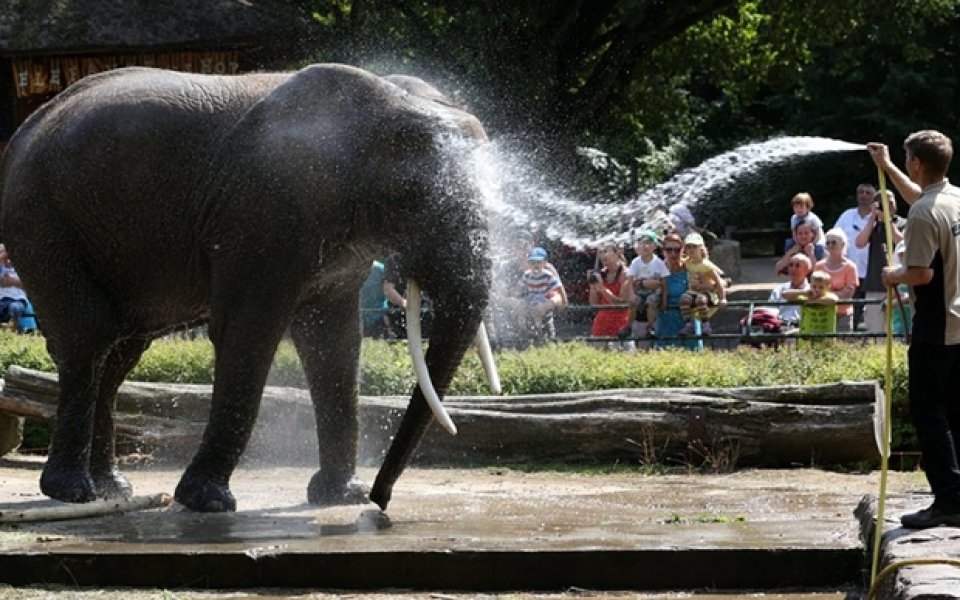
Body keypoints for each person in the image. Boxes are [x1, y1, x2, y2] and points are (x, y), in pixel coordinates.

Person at [869, 130, 960, 529]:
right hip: (959, 320)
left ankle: (948, 502)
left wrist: (892, 275)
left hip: (938, 324)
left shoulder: (924, 213)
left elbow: (920, 273)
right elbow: (919, 200)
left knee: (929, 414)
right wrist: (886, 166)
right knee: (954, 412)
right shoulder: (952, 198)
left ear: (917, 163)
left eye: (905, 159)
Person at [854, 189, 906, 333]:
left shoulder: (902, 223)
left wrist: (888, 220)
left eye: (891, 202)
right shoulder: (873, 225)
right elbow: (859, 242)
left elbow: (902, 242)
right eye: (884, 203)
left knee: (898, 328)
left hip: (899, 285)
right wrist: (873, 218)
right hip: (876, 283)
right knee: (876, 329)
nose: (888, 205)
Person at [833, 183, 877, 328]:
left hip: (872, 271)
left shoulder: (879, 217)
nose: (864, 195)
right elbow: (833, 237)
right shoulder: (847, 215)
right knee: (851, 308)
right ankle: (851, 339)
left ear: (874, 197)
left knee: (872, 309)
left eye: (868, 193)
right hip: (850, 271)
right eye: (861, 192)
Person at [623, 230, 670, 338]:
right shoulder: (636, 262)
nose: (645, 246)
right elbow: (630, 279)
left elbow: (664, 282)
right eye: (642, 243)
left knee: (651, 301)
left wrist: (664, 299)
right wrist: (631, 294)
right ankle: (628, 326)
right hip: (640, 291)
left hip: (654, 292)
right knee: (634, 302)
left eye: (649, 243)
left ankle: (651, 326)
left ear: (654, 246)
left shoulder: (659, 263)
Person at [678, 232, 726, 336]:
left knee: (700, 300)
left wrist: (722, 298)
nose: (691, 249)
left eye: (694, 247)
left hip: (707, 293)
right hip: (693, 291)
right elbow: (679, 261)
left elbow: (719, 281)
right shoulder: (688, 262)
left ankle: (705, 323)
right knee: (684, 299)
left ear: (701, 248)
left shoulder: (706, 265)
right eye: (688, 247)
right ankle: (688, 323)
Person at [814, 228, 858, 332]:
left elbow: (848, 293)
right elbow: (814, 288)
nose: (830, 245)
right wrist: (834, 294)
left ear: (843, 245)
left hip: (843, 314)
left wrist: (825, 294)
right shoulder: (819, 266)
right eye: (827, 243)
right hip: (822, 313)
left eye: (834, 242)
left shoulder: (850, 267)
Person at [588, 242, 630, 341]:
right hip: (601, 324)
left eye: (606, 251)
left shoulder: (626, 274)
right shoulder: (601, 273)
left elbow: (621, 304)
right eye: (601, 252)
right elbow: (593, 304)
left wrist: (602, 288)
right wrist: (593, 286)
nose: (602, 255)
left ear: (617, 253)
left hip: (621, 324)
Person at [518, 246, 564, 340]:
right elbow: (520, 286)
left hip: (542, 297)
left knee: (538, 310)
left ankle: (538, 330)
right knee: (520, 307)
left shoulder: (547, 275)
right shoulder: (527, 274)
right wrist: (518, 293)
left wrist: (563, 300)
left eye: (538, 262)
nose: (536, 265)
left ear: (544, 263)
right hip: (531, 297)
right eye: (533, 263)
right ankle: (523, 326)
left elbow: (558, 286)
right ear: (529, 263)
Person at [767, 253, 813, 331]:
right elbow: (770, 311)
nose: (793, 269)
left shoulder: (812, 290)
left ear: (807, 270)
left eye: (797, 266)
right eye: (790, 265)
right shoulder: (779, 289)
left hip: (802, 328)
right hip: (779, 328)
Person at [0, 244, 35, 334]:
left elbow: (29, 284)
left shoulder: (20, 269)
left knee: (15, 308)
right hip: (3, 300)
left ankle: (13, 330)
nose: (8, 261)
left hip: (18, 300)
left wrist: (13, 282)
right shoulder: (2, 269)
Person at [785, 192, 825, 259]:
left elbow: (818, 234)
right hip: (801, 239)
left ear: (808, 207)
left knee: (819, 247)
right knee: (788, 243)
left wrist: (812, 244)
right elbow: (794, 233)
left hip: (814, 240)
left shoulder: (813, 218)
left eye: (801, 207)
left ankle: (818, 263)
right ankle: (788, 263)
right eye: (796, 207)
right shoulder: (794, 218)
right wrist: (798, 243)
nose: (798, 209)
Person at [360, 260, 389, 338]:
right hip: (373, 316)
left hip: (378, 316)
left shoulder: (381, 269)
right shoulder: (381, 268)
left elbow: (388, 291)